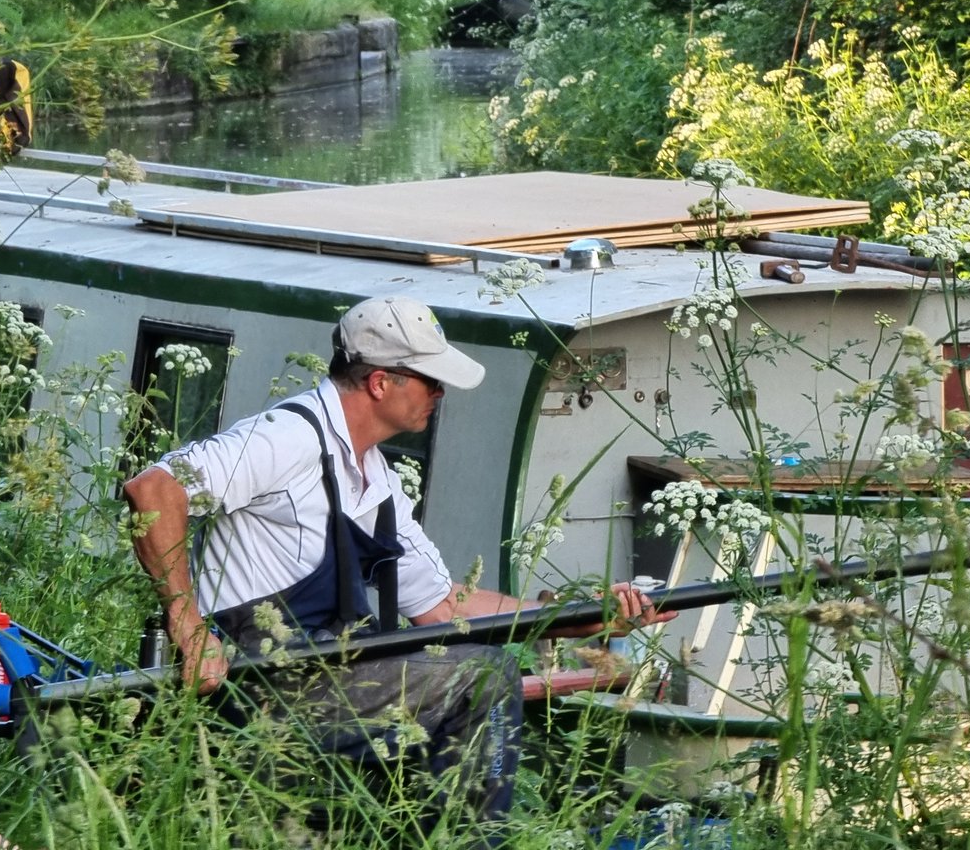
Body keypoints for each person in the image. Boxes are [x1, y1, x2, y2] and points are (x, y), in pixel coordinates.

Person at [123, 295, 668, 837]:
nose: (440, 392)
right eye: (430, 380)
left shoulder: (378, 479)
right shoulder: (289, 437)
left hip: (329, 675)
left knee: (469, 659)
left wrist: (579, 616)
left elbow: (443, 608)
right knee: (484, 675)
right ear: (381, 383)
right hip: (257, 686)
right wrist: (188, 626)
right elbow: (152, 489)